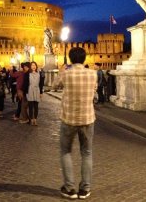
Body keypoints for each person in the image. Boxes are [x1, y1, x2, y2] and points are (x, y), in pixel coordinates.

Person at [53, 47, 97, 200]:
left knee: (66, 152)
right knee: (87, 153)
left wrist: (60, 71)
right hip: (87, 118)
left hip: (69, 119)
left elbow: (54, 86)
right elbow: (94, 90)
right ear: (84, 59)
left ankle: (70, 188)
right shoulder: (92, 74)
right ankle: (85, 189)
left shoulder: (66, 74)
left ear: (70, 59)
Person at [23, 61, 44, 126]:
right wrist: (25, 92)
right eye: (32, 65)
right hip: (30, 90)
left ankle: (35, 119)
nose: (33, 66)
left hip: (37, 90)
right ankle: (31, 119)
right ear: (30, 67)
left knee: (36, 106)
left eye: (34, 65)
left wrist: (41, 92)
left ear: (36, 66)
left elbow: (41, 84)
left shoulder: (39, 73)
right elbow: (25, 84)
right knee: (31, 106)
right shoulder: (27, 74)